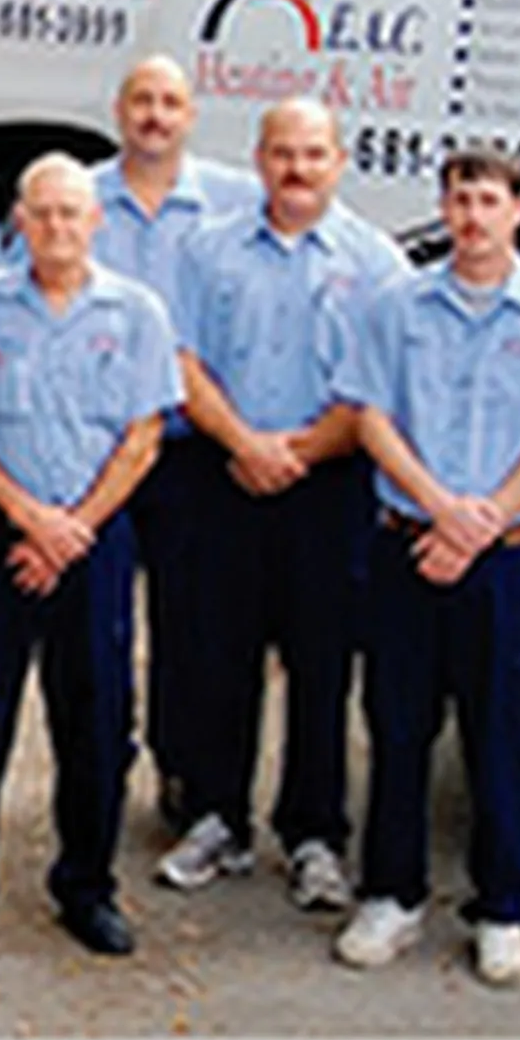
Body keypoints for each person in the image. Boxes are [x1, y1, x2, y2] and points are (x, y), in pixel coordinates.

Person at [333, 147, 520, 986]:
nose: (473, 216)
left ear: (517, 211)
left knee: (506, 738)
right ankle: (391, 896)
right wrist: (441, 509)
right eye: (460, 200)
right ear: (444, 208)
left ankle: (501, 909)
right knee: (398, 726)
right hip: (408, 546)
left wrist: (481, 523)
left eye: (489, 201)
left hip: (509, 560)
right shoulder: (397, 306)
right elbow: (372, 418)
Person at [0, 154, 179, 957]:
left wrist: (72, 530)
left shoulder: (136, 313)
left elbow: (143, 437)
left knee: (95, 721)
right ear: (19, 222)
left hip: (92, 543)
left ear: (95, 221)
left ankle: (88, 887)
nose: (56, 227)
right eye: (41, 213)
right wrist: (28, 516)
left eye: (71, 212)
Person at [157, 99, 408, 909]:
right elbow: (183, 361)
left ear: (339, 161)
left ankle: (314, 835)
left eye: (313, 154)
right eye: (282, 153)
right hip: (226, 473)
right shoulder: (208, 249)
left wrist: (294, 452)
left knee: (321, 663)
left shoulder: (376, 263)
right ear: (258, 159)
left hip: (328, 487)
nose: (296, 169)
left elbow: (378, 390)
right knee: (217, 653)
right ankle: (217, 819)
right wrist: (245, 443)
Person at [87, 55, 260, 831]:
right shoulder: (78, 197)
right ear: (118, 110)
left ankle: (181, 768)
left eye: (169, 103)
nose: (154, 116)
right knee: (101, 626)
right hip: (102, 449)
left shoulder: (235, 202)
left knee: (190, 623)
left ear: (190, 115)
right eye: (141, 101)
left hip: (191, 449)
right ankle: (101, 765)